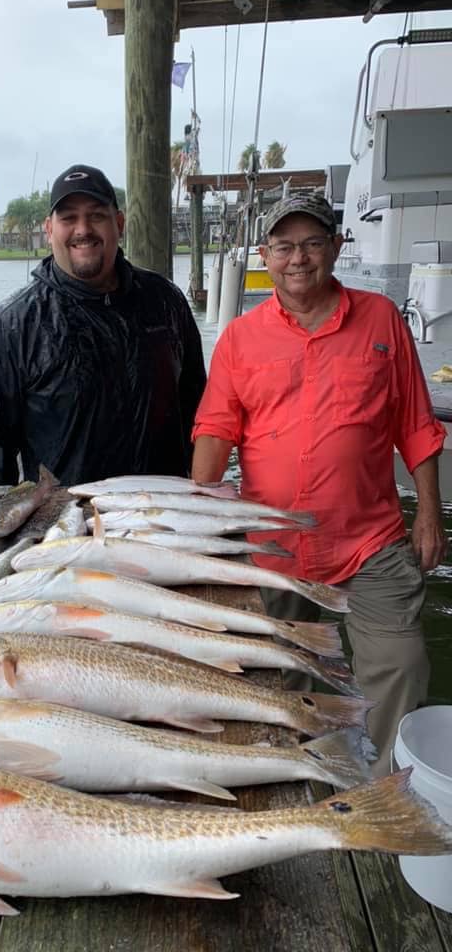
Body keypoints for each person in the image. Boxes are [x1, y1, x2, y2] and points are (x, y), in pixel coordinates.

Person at [191, 191, 447, 774]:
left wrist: (429, 514)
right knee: (264, 668)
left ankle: (385, 791)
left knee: (401, 663)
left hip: (369, 538)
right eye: (284, 246)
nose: (298, 258)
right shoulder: (239, 338)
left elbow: (415, 423)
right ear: (264, 255)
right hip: (272, 541)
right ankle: (287, 772)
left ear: (335, 246)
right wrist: (198, 528)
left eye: (311, 243)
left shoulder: (381, 318)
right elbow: (215, 430)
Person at [0, 163, 207, 487]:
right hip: (69, 527)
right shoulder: (11, 326)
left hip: (160, 519)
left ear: (119, 223)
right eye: (68, 218)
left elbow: (199, 410)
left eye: (96, 215)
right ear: (49, 229)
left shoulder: (166, 301)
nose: (83, 229)